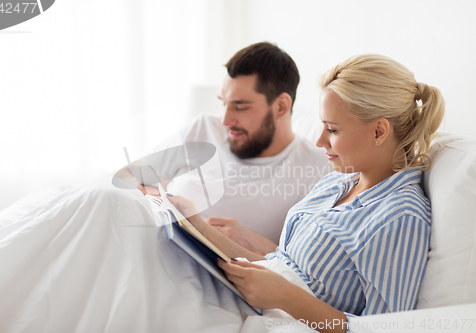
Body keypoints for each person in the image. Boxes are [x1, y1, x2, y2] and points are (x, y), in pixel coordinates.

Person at [168, 53, 445, 332]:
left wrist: (286, 297)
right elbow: (279, 269)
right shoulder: (336, 183)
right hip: (254, 306)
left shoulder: (400, 216)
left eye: (332, 129)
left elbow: (381, 328)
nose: (319, 140)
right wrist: (199, 226)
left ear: (378, 132)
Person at [115, 42, 330, 255]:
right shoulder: (203, 129)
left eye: (240, 107)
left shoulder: (319, 167)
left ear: (281, 106)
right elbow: (123, 175)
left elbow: (309, 267)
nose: (226, 120)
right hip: (152, 246)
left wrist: (260, 245)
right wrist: (141, 189)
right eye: (223, 103)